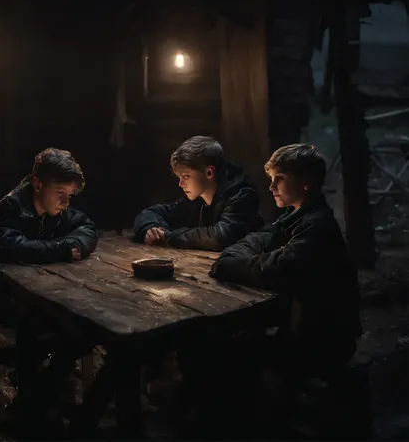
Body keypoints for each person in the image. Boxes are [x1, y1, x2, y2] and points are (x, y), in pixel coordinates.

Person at [210, 143, 362, 388]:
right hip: (300, 331)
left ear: (306, 181)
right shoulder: (294, 217)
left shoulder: (317, 226)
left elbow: (275, 267)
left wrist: (227, 266)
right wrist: (232, 258)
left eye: (279, 179)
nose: (271, 187)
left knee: (223, 355)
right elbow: (255, 240)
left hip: (324, 342)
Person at [0, 148, 98, 430]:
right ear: (38, 183)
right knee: (37, 323)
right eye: (60, 193)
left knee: (81, 329)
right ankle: (34, 401)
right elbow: (11, 247)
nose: (66, 202)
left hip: (34, 293)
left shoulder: (60, 208)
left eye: (70, 196)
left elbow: (86, 229)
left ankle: (36, 396)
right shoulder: (12, 206)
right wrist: (63, 248)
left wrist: (76, 244)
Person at [133, 136, 262, 251]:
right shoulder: (197, 199)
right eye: (180, 177)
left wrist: (168, 236)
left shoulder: (242, 196)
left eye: (186, 176)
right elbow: (151, 212)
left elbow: (220, 237)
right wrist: (152, 229)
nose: (181, 183)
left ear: (209, 172)